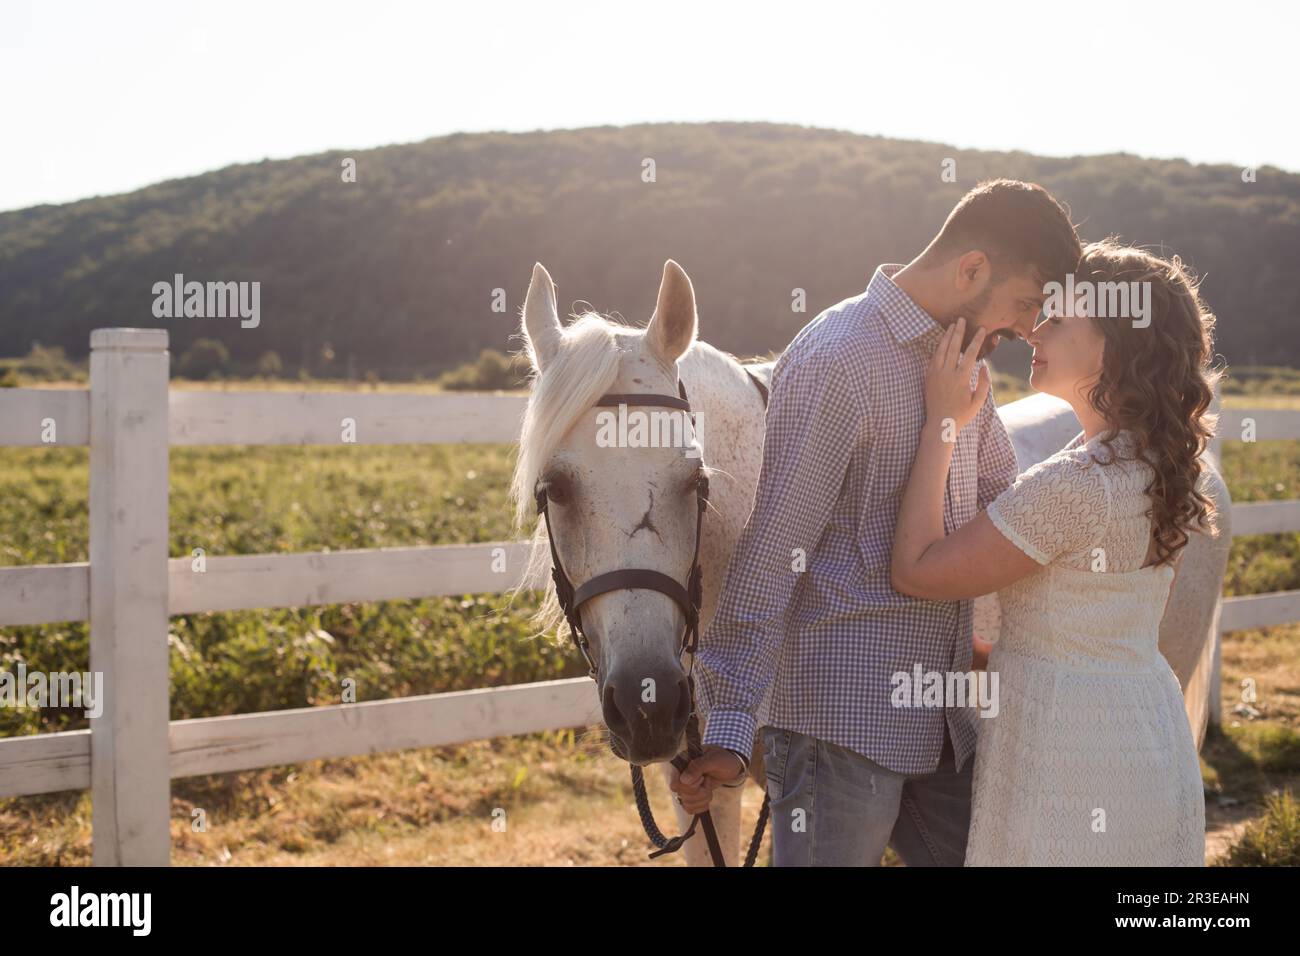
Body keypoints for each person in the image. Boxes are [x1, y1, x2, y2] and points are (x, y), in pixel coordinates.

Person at [671, 179, 1080, 866]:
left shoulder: (964, 359)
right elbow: (775, 550)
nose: (1025, 327)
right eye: (1027, 304)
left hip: (946, 723)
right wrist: (732, 722)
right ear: (972, 269)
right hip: (840, 729)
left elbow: (1003, 501)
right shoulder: (838, 358)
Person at [889, 239, 1217, 865]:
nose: (1034, 331)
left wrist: (942, 422)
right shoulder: (1163, 469)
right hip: (1148, 732)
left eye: (1059, 319)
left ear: (1114, 347)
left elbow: (916, 570)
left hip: (1065, 749)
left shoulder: (1071, 487)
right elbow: (1095, 624)